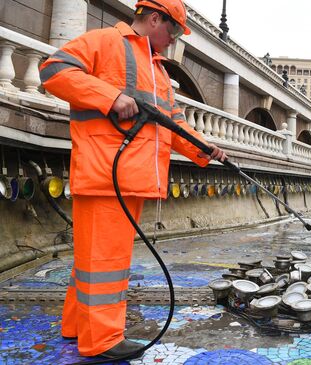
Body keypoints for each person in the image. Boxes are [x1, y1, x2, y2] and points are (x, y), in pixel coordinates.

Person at [39, 0, 226, 360]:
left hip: (131, 179)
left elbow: (173, 125)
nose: (173, 40)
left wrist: (205, 149)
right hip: (106, 174)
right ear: (155, 18)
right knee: (105, 264)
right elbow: (53, 70)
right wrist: (110, 97)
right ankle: (104, 341)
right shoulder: (106, 42)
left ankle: (77, 327)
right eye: (173, 31)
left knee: (93, 262)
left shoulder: (157, 72)